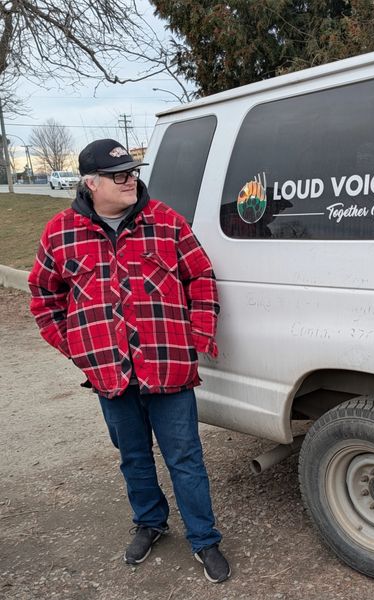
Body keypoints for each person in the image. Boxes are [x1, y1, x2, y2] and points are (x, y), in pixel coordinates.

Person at [28, 139, 230, 584]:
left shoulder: (166, 221)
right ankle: (150, 523)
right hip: (110, 374)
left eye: (134, 172)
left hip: (168, 367)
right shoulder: (60, 233)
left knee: (186, 458)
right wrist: (78, 348)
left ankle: (204, 539)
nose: (131, 180)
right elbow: (44, 297)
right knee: (134, 457)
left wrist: (198, 334)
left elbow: (200, 275)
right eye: (119, 175)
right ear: (91, 182)